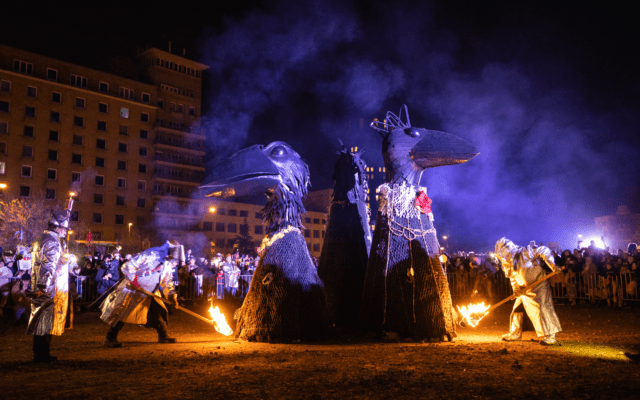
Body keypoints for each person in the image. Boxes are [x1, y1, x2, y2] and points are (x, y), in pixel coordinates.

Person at [100, 240, 184, 347]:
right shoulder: (150, 255)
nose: (174, 261)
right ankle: (109, 338)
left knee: (159, 311)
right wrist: (134, 281)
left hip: (152, 291)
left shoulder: (167, 263)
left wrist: (172, 297)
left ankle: (163, 336)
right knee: (122, 313)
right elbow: (127, 266)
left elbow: (167, 281)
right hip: (135, 289)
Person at [26, 209, 76, 362]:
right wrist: (44, 286)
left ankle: (42, 352)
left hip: (42, 285)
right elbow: (48, 266)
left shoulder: (42, 239)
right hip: (49, 287)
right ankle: (41, 353)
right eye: (63, 229)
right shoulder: (52, 241)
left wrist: (65, 259)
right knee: (44, 320)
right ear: (57, 227)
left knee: (42, 319)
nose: (65, 232)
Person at [494, 238, 562, 346]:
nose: (503, 257)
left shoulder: (525, 252)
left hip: (539, 286)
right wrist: (516, 290)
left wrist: (552, 265)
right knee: (517, 310)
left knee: (543, 309)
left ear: (508, 250)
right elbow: (512, 277)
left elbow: (543, 250)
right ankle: (515, 334)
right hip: (524, 290)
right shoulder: (507, 262)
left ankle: (551, 336)